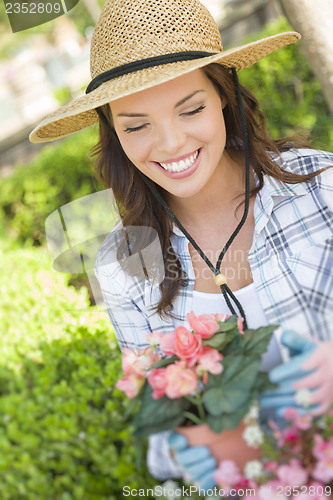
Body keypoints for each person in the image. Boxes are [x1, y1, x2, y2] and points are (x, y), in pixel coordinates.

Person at [30, 0, 333, 490]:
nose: (170, 144)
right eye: (136, 125)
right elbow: (162, 428)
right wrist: (189, 449)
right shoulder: (123, 266)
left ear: (224, 96)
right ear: (113, 134)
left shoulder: (323, 190)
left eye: (190, 109)